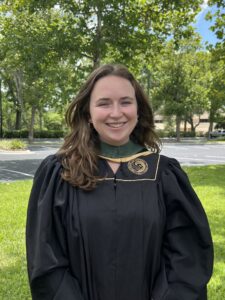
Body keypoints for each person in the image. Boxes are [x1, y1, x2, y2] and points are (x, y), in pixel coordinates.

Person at [26, 64, 213, 300]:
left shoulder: (164, 174)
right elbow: (46, 259)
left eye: (125, 102)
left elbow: (187, 259)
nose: (116, 113)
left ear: (138, 110)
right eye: (104, 103)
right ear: (88, 114)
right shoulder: (60, 173)